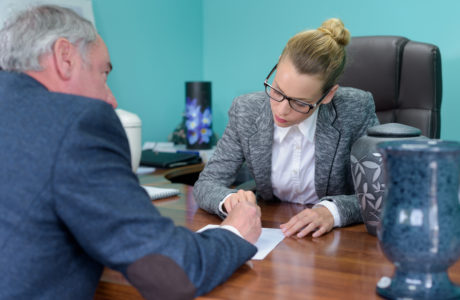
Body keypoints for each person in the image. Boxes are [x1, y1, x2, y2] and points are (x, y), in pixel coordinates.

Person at [0, 5, 261, 300]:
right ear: (65, 58)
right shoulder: (77, 122)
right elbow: (171, 272)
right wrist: (235, 232)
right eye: (103, 74)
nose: (110, 100)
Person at [194, 18, 379, 238]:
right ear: (277, 65)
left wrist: (333, 211)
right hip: (272, 232)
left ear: (328, 95)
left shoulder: (354, 109)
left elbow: (379, 193)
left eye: (300, 103)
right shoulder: (246, 110)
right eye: (277, 91)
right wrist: (228, 200)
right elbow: (206, 183)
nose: (281, 111)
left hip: (335, 242)